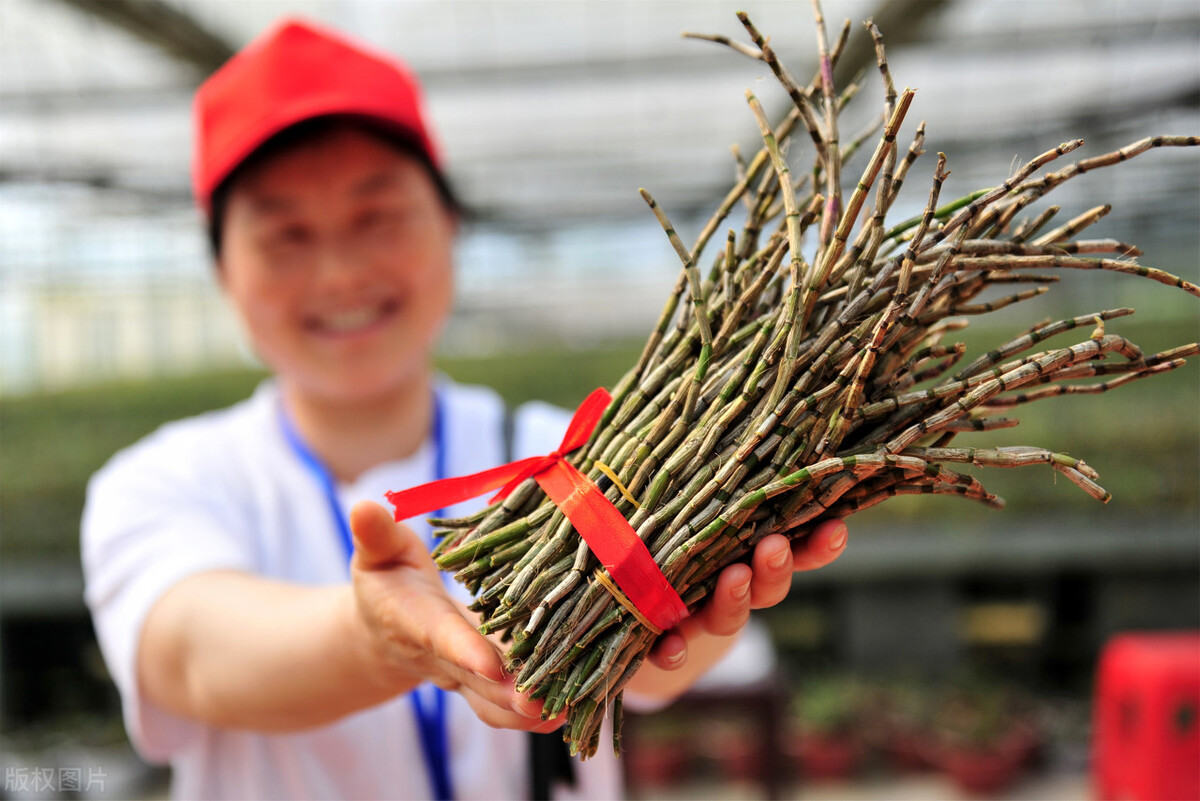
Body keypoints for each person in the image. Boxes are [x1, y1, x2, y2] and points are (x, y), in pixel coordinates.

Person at [81, 18, 848, 801]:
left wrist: (680, 606)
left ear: (450, 223)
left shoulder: (574, 457)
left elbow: (660, 676)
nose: (340, 272)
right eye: (286, 237)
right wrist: (377, 641)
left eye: (376, 216)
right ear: (222, 271)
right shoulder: (163, 482)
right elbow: (195, 659)